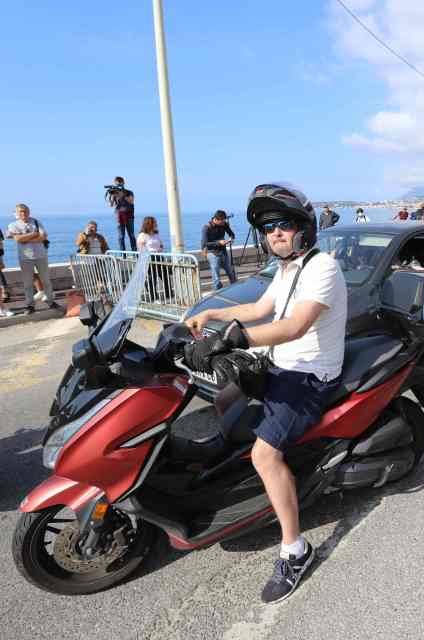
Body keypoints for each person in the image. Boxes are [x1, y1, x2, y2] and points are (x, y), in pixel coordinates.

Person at [183, 182, 346, 602]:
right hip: (279, 365)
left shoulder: (322, 267)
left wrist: (232, 340)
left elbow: (293, 327)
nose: (275, 233)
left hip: (310, 377)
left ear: (304, 228)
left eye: (285, 224)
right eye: (269, 226)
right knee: (223, 402)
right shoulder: (287, 270)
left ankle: (295, 549)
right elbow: (258, 311)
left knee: (263, 454)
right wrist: (213, 312)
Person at [6, 204, 58, 314]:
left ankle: (50, 301)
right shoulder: (13, 225)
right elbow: (18, 239)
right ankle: (30, 305)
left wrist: (27, 239)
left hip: (41, 255)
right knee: (27, 283)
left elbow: (43, 236)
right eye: (20, 211)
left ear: (29, 212)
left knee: (46, 280)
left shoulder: (36, 222)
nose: (23, 213)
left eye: (25, 211)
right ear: (16, 213)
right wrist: (34, 234)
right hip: (25, 257)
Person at [137, 216, 174, 302]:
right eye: (154, 222)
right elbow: (141, 248)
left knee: (165, 276)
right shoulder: (142, 236)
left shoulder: (156, 234)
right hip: (149, 258)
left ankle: (169, 295)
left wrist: (159, 249)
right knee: (151, 279)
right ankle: (154, 298)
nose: (156, 224)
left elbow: (161, 244)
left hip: (159, 257)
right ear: (149, 224)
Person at [201, 210, 238, 290]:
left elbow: (231, 233)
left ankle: (236, 289)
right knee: (216, 277)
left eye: (224, 221)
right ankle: (217, 293)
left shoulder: (224, 224)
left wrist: (231, 238)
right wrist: (218, 243)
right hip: (212, 253)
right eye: (222, 222)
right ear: (216, 219)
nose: (223, 223)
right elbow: (205, 244)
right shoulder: (206, 227)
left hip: (223, 252)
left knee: (231, 273)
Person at [106, 176, 136, 251]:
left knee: (131, 235)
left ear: (123, 183)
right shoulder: (114, 193)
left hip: (129, 216)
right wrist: (111, 196)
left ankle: (134, 252)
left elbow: (131, 201)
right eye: (117, 183)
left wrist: (123, 194)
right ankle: (123, 254)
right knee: (121, 236)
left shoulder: (129, 192)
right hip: (119, 216)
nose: (119, 185)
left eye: (120, 183)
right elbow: (111, 205)